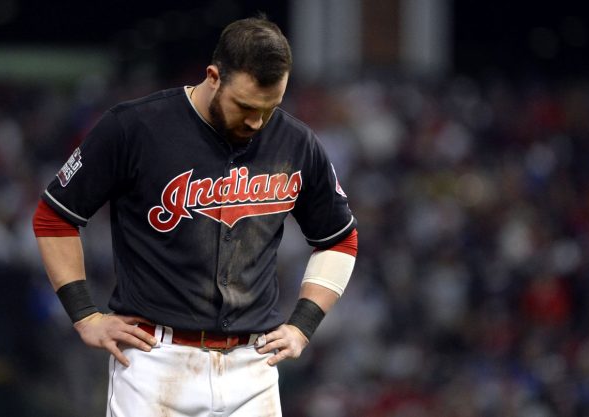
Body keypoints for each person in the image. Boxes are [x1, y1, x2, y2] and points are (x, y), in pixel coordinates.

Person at [32, 15, 357, 417]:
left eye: (270, 108)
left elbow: (339, 238)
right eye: (246, 106)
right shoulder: (134, 127)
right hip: (154, 362)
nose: (257, 121)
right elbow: (54, 216)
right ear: (213, 76)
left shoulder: (296, 142)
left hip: (253, 366)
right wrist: (85, 315)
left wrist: (303, 324)